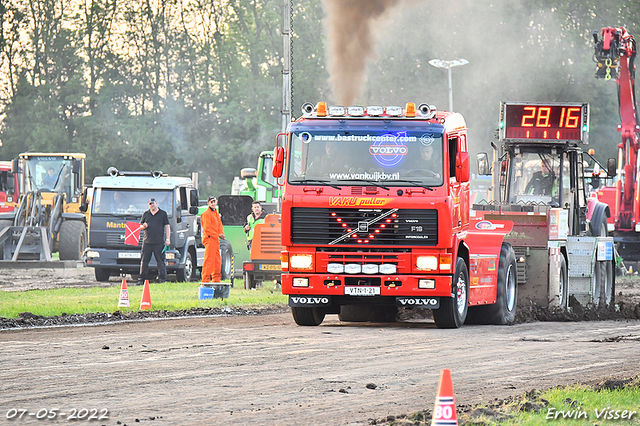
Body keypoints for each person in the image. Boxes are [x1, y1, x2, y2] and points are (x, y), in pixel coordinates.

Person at [138, 197, 171, 285]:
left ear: (156, 203)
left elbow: (167, 226)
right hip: (147, 242)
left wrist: (168, 239)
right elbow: (140, 226)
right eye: (150, 204)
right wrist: (143, 226)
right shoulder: (146, 214)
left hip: (159, 242)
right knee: (144, 261)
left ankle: (162, 279)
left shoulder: (162, 214)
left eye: (153, 203)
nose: (152, 205)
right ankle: (142, 279)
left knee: (160, 261)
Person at [201, 195, 226, 283]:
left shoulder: (216, 213)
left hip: (215, 239)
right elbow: (207, 229)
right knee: (209, 260)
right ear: (208, 203)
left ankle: (216, 280)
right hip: (209, 239)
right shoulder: (206, 214)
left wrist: (221, 233)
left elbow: (219, 226)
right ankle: (205, 280)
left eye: (214, 202)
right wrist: (218, 235)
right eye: (211, 202)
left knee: (217, 261)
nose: (213, 203)